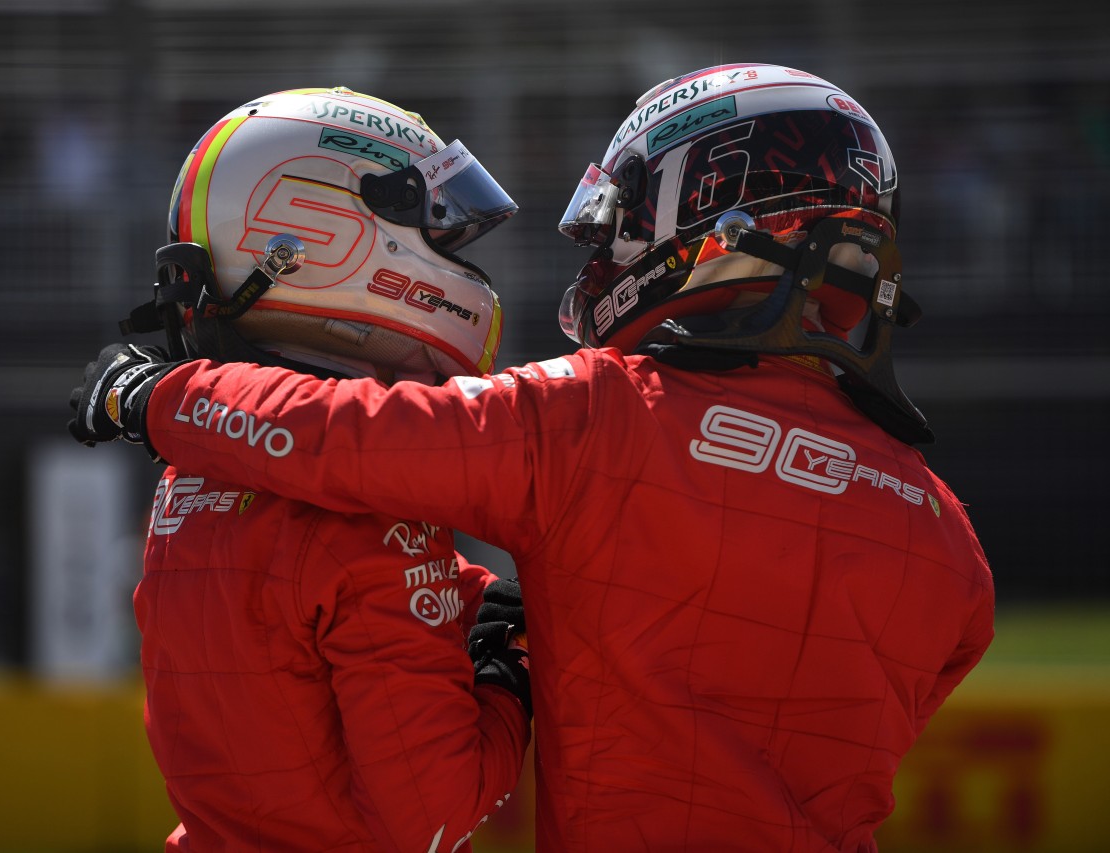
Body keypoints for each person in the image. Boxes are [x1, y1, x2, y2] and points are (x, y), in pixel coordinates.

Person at [71, 65, 995, 852]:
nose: (604, 249)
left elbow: (344, 434)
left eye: (621, 219)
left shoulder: (595, 416)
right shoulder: (947, 539)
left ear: (710, 205)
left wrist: (154, 396)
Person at [71, 87, 532, 852]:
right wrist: (506, 678)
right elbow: (432, 816)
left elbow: (289, 654)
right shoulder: (368, 506)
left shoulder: (191, 475)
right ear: (317, 234)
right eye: (438, 230)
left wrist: (472, 598)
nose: (458, 257)